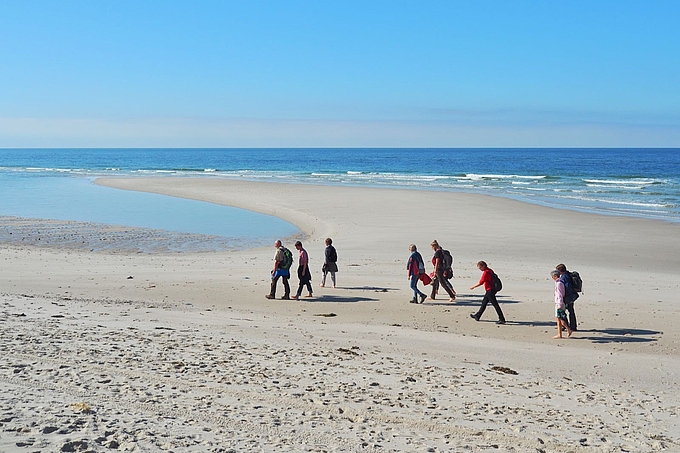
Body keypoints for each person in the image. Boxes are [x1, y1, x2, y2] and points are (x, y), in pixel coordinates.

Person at [551, 269, 573, 339]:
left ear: (555, 276)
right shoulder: (559, 282)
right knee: (559, 319)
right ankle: (560, 334)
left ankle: (568, 330)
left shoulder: (559, 283)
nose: (552, 278)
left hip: (560, 303)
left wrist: (560, 304)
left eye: (552, 276)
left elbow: (560, 294)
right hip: (559, 302)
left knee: (561, 319)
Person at [556, 263, 578, 331]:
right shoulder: (568, 274)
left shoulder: (565, 277)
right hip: (571, 296)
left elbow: (568, 287)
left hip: (567, 297)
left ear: (560, 271)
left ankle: (565, 325)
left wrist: (565, 296)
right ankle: (572, 326)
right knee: (571, 311)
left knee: (562, 311)